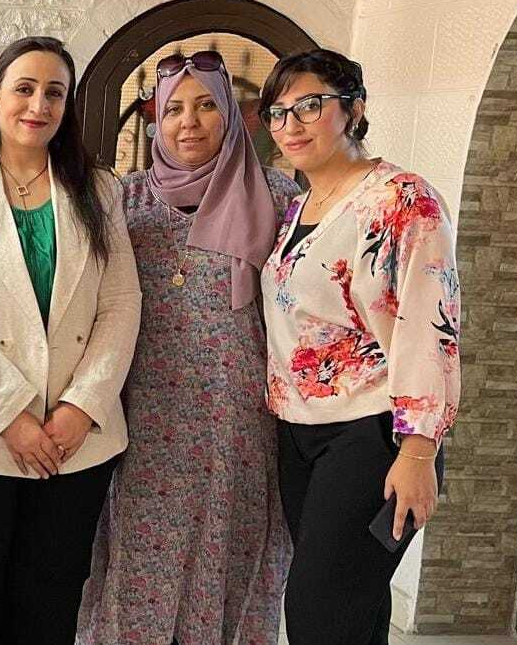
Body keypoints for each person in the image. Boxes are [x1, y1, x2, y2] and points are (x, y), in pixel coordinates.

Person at [0, 36, 141, 645]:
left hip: (73, 443)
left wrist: (80, 407)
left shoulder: (98, 191)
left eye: (54, 93)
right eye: (25, 88)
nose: (39, 105)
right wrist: (13, 416)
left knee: (50, 606)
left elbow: (120, 306)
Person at [77, 51, 298, 645]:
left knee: (231, 554)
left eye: (205, 105)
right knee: (137, 556)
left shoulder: (275, 196)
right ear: (157, 120)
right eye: (174, 108)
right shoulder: (123, 201)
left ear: (230, 114)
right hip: (144, 417)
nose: (189, 122)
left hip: (239, 421)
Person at [259, 49, 460, 645]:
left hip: (374, 435)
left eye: (309, 105)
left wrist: (418, 450)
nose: (291, 124)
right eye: (278, 112)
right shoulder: (300, 204)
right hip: (299, 432)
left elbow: (431, 327)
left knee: (317, 614)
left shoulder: (402, 199)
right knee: (357, 610)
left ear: (353, 109)